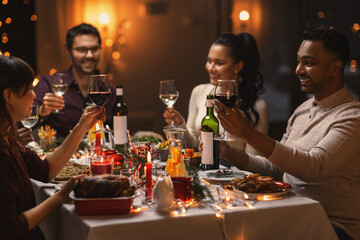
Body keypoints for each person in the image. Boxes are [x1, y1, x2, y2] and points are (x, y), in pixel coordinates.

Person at [215, 27, 359, 240]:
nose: (298, 70)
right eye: (298, 61)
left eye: (308, 63)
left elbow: (314, 167)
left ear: (335, 67)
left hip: (332, 225)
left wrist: (249, 134)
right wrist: (230, 154)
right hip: (291, 211)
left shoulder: (352, 117)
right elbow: (276, 168)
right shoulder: (302, 110)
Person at [0, 55, 105, 239]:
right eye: (29, 89)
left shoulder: (9, 138)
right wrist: (60, 197)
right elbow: (11, 229)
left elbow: (44, 170)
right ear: (8, 95)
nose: (34, 95)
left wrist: (82, 126)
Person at [163, 32, 268, 155]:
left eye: (219, 63)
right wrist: (180, 124)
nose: (210, 68)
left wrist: (225, 151)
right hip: (203, 171)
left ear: (238, 66)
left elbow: (255, 162)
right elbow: (192, 145)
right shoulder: (199, 92)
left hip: (236, 173)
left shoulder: (258, 107)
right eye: (209, 61)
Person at [33, 23, 116, 138]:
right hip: (58, 154)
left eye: (94, 49)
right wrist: (42, 111)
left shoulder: (109, 92)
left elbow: (117, 135)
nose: (89, 55)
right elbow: (22, 121)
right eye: (82, 50)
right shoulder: (49, 83)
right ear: (68, 51)